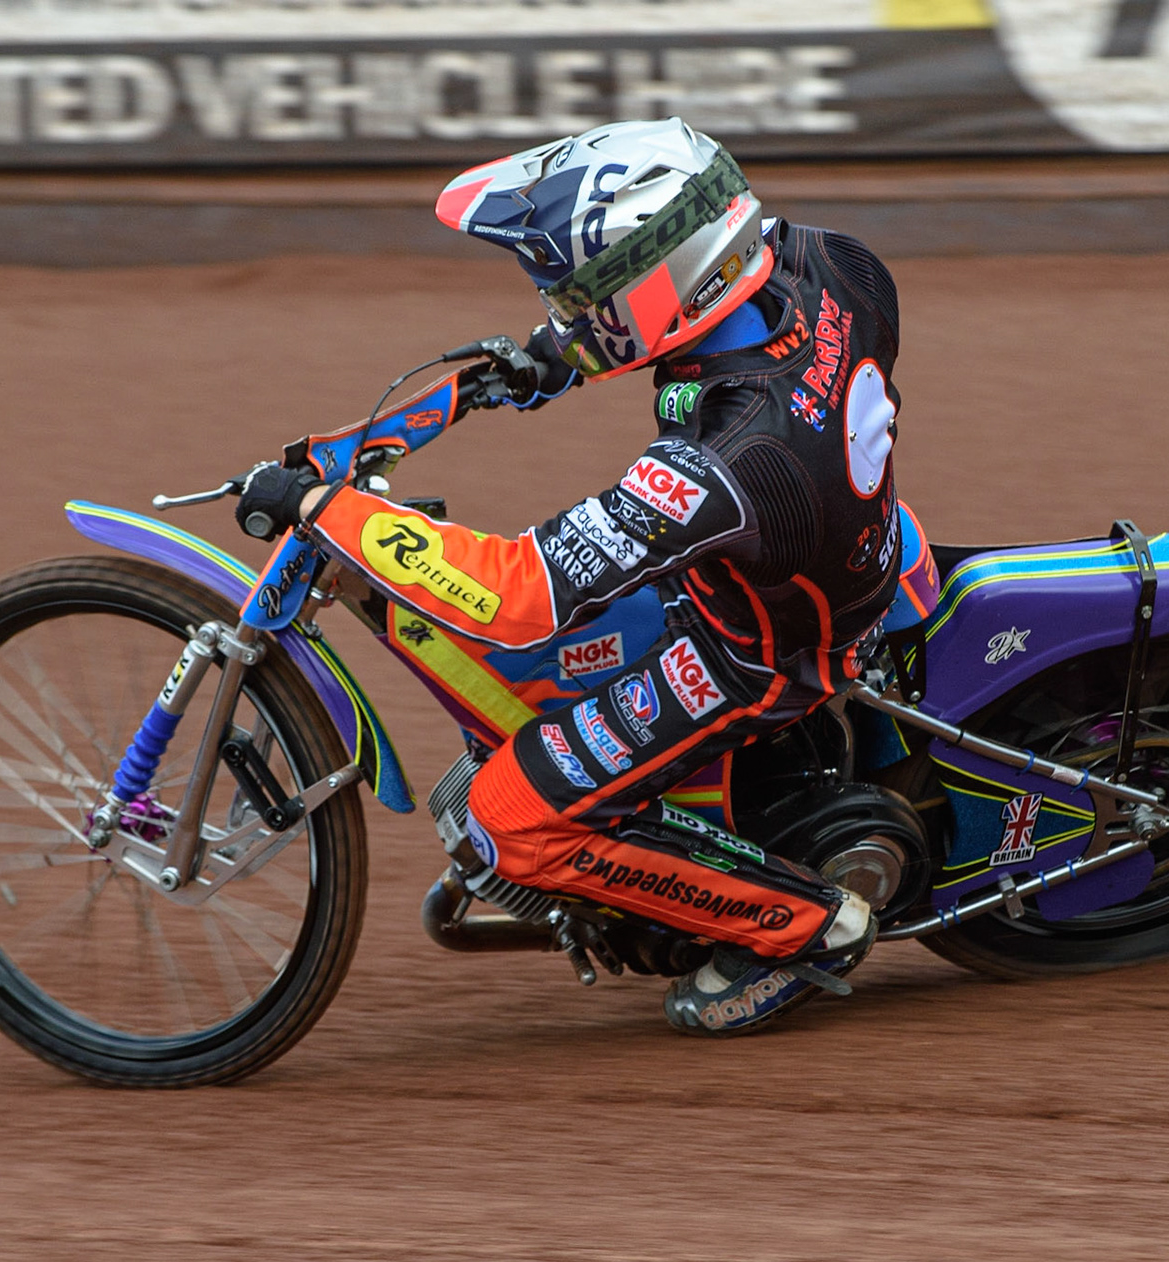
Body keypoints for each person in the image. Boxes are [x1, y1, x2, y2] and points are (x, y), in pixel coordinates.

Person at [234, 118, 901, 1035]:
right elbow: (655, 343)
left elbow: (516, 594)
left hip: (757, 653)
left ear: (666, 275)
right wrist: (528, 368)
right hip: (843, 546)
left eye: (584, 290)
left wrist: (327, 511)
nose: (564, 308)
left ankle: (805, 926)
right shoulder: (834, 262)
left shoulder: (725, 463)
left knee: (509, 815)